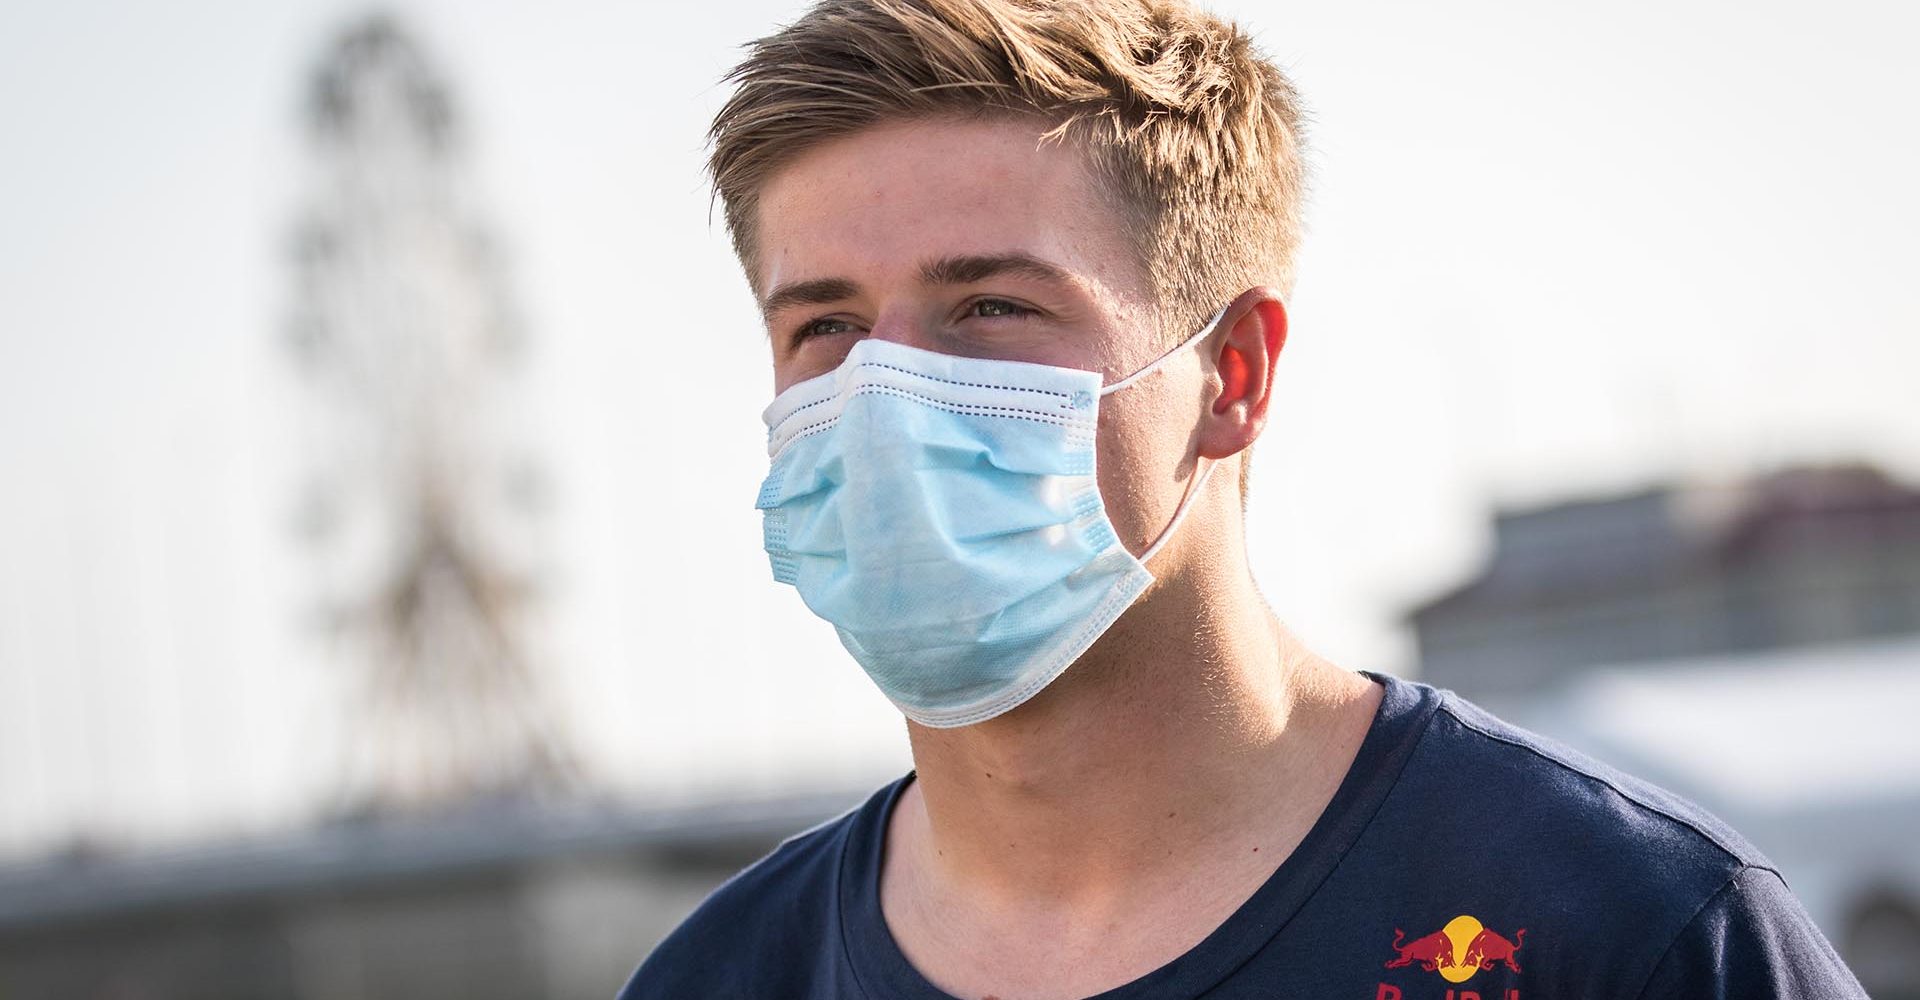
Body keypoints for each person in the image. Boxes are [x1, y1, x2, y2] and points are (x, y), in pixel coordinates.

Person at [620, 0, 1869, 996]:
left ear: (1235, 371)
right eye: (825, 326)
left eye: (993, 307)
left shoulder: (1628, 930)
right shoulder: (721, 975)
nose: (892, 395)